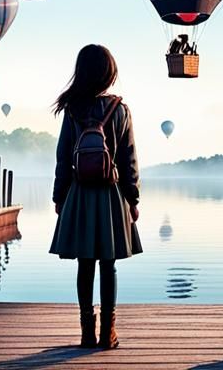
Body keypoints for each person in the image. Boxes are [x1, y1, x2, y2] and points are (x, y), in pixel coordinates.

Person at [49, 44, 142, 351]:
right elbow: (129, 159)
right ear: (108, 73)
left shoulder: (72, 110)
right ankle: (108, 333)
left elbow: (63, 157)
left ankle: (86, 332)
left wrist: (59, 197)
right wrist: (134, 199)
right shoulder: (120, 109)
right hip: (112, 195)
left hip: (79, 193)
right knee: (109, 265)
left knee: (85, 264)